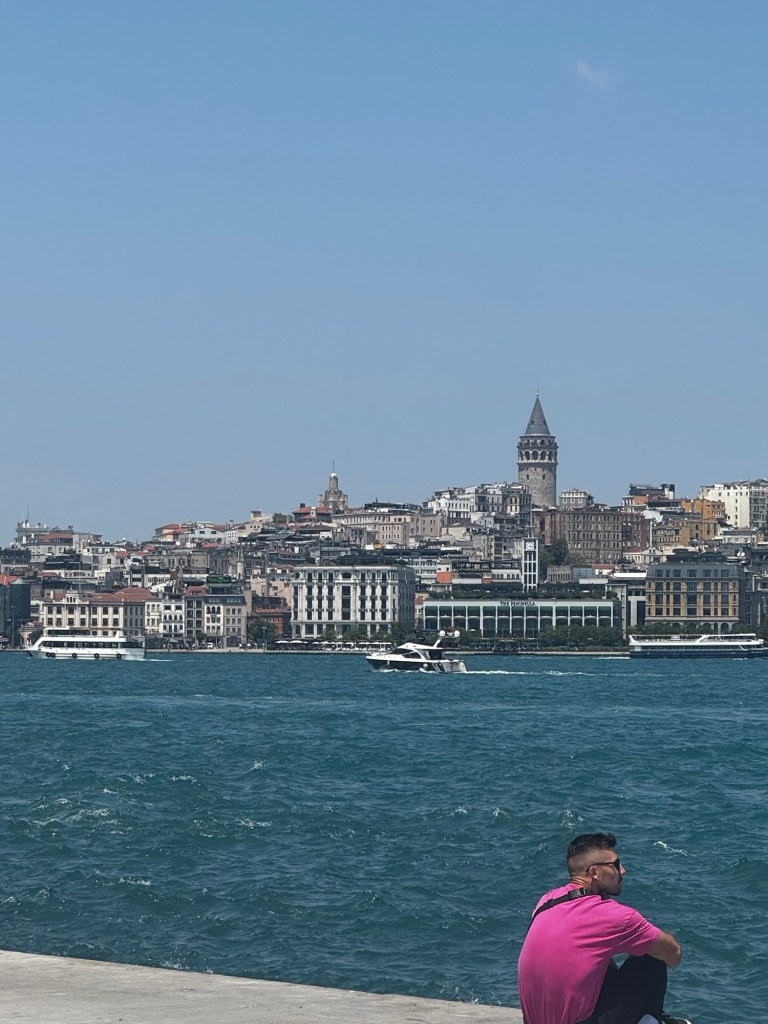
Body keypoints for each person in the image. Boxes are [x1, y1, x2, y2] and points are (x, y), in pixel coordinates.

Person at [517, 832, 691, 1024]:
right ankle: (650, 1020)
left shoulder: (547, 901)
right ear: (595, 872)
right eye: (616, 865)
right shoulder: (614, 916)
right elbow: (673, 954)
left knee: (599, 956)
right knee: (653, 956)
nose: (623, 871)